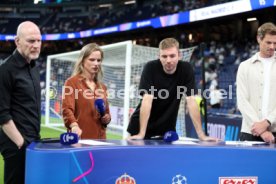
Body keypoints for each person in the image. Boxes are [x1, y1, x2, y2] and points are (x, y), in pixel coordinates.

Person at [127, 38, 216, 141]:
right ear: (159, 56)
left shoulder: (186, 69)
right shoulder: (150, 68)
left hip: (166, 130)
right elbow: (147, 100)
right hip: (140, 128)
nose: (168, 60)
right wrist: (141, 133)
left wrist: (201, 135)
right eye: (164, 56)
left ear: (179, 55)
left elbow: (191, 100)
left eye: (172, 56)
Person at [0, 21, 42, 184]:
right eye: (31, 41)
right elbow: (2, 113)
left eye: (39, 41)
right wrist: (20, 142)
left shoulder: (33, 67)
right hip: (16, 144)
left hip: (34, 141)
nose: (36, 45)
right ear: (17, 41)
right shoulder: (6, 70)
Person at [237, 22, 276, 143]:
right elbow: (242, 101)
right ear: (259, 39)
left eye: (275, 43)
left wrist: (268, 122)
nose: (272, 47)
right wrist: (262, 130)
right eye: (268, 42)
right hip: (250, 131)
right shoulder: (244, 66)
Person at [62, 43, 111, 139]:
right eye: (92, 60)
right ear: (82, 61)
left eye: (99, 60)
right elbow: (67, 109)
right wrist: (74, 126)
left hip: (101, 141)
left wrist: (107, 118)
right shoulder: (72, 83)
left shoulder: (103, 87)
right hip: (80, 139)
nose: (96, 63)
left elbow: (107, 113)